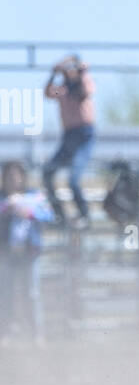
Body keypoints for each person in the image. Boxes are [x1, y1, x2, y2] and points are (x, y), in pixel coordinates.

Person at [0, 160, 53, 344]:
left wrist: (28, 212)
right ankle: (5, 333)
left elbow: (48, 215)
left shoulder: (34, 196)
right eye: (9, 176)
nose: (13, 180)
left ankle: (36, 334)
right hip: (6, 253)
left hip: (29, 253)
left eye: (16, 175)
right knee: (4, 294)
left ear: (23, 178)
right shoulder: (3, 198)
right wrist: (8, 207)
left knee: (31, 294)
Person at [42, 54, 96, 226]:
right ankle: (60, 215)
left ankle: (84, 215)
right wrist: (53, 73)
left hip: (84, 135)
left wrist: (81, 72)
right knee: (48, 172)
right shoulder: (62, 89)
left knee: (73, 179)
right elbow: (49, 93)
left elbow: (85, 91)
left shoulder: (82, 83)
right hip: (68, 136)